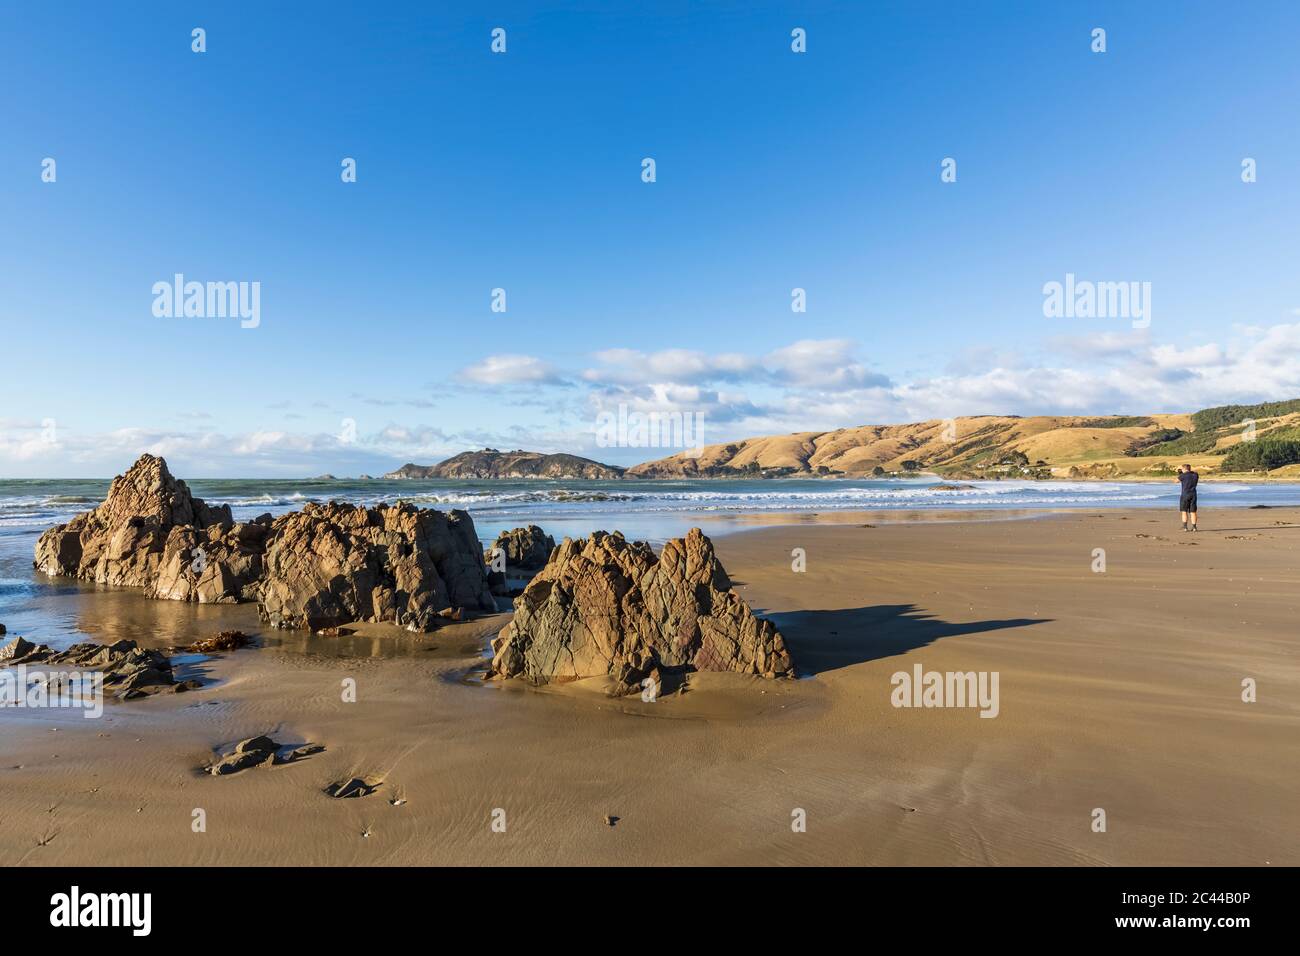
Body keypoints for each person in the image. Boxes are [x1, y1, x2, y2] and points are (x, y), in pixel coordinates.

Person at [1176, 464, 1199, 531]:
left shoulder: (1183, 475)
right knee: (1193, 511)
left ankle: (1185, 527)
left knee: (1184, 511)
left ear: (1184, 469)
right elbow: (1193, 472)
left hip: (1185, 494)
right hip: (1193, 494)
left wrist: (1179, 472)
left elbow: (1175, 481)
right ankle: (1194, 527)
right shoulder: (1195, 475)